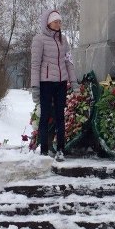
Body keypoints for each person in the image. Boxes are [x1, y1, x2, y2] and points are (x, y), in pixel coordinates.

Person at [31, 9, 78, 162]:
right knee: (45, 116)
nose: (59, 24)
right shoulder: (39, 39)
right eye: (56, 21)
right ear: (48, 23)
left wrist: (74, 82)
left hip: (61, 82)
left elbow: (68, 62)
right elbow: (35, 65)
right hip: (46, 83)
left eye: (60, 21)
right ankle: (44, 150)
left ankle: (60, 150)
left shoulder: (63, 40)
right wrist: (35, 87)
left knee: (60, 116)